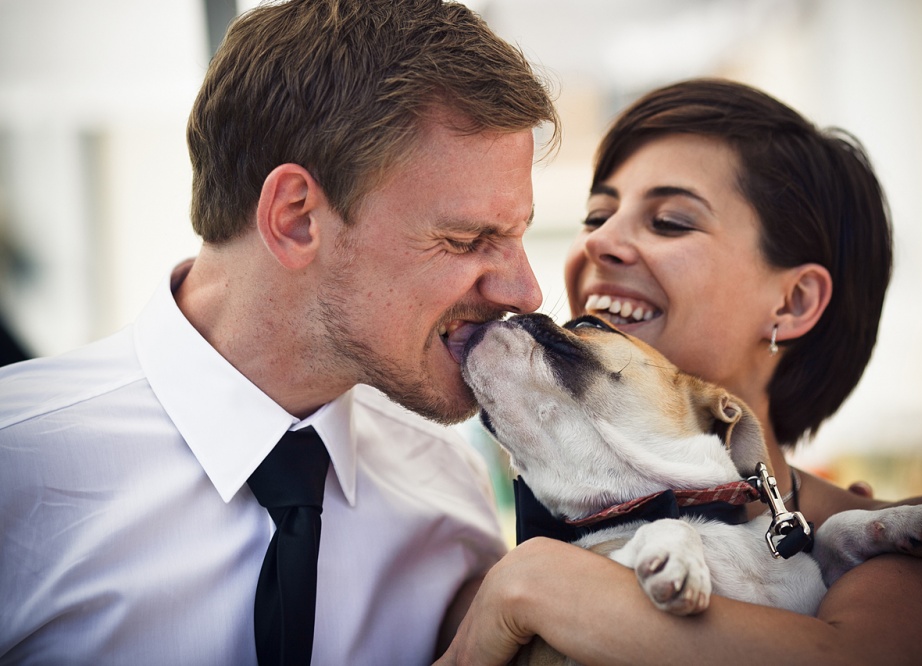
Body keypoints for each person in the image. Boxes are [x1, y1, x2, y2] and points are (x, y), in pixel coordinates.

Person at [0, 0, 558, 664]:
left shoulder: (449, 490)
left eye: (518, 235)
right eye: (466, 240)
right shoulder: (18, 465)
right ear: (295, 219)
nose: (525, 292)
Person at [437, 79, 922, 665]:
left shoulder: (912, 543)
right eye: (597, 215)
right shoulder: (511, 536)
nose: (601, 241)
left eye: (670, 221)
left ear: (793, 302)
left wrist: (532, 585)